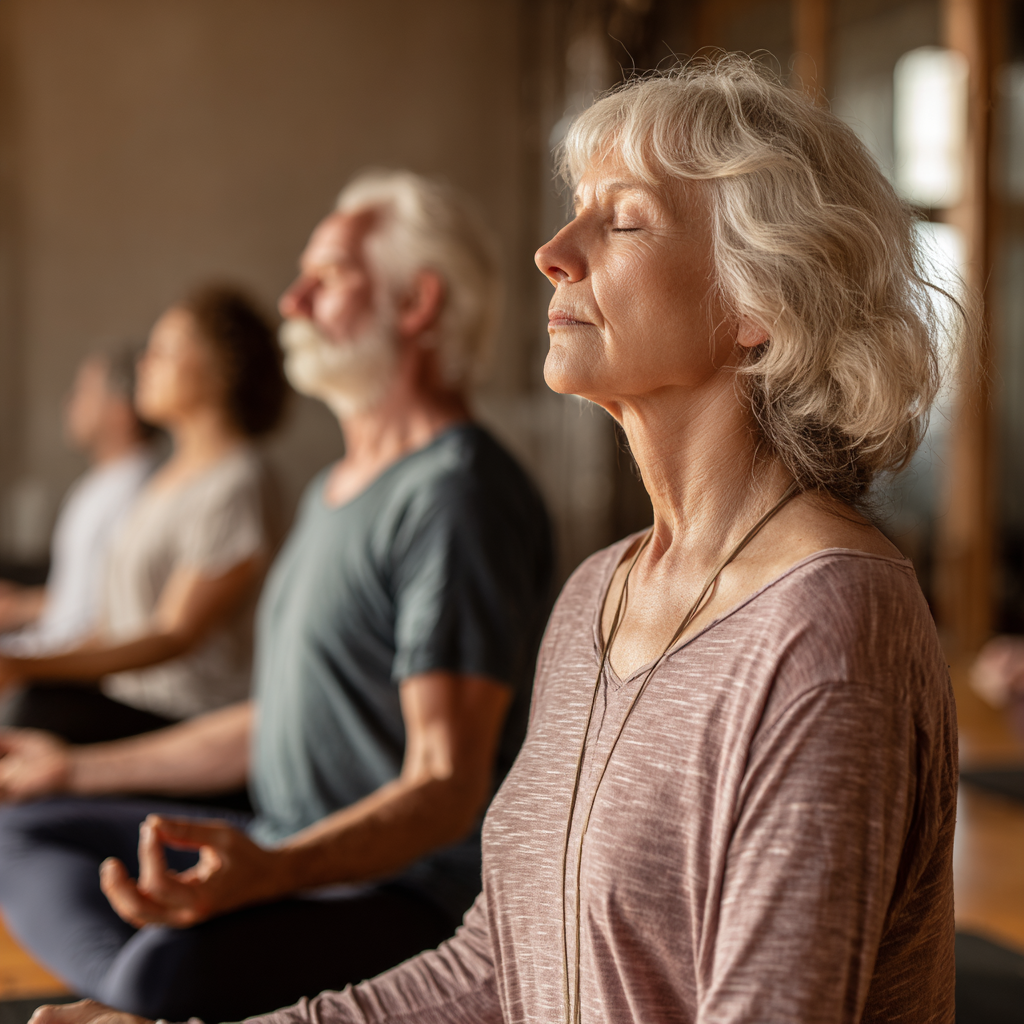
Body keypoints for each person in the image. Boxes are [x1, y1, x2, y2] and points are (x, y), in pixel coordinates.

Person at [29, 58, 965, 1024]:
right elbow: (497, 968)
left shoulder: (826, 621)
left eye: (626, 219)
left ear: (762, 303)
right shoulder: (598, 592)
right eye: (573, 211)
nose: (553, 251)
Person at [0, 170, 553, 1022]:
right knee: (27, 829)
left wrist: (277, 873)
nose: (291, 300)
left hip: (401, 894)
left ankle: (142, 1002)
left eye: (326, 278)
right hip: (281, 840)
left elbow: (446, 785)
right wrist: (71, 770)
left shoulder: (455, 493)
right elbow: (277, 718)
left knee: (160, 975)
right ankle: (141, 1002)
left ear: (416, 305)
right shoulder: (334, 487)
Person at [0, 285, 287, 742]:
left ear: (219, 370)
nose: (144, 366)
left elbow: (176, 634)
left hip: (193, 725)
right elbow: (112, 629)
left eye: (163, 352)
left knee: (34, 709)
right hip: (133, 702)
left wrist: (26, 666)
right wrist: (26, 662)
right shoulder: (167, 479)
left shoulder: (239, 481)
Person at [0, 348, 156, 657]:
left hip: (70, 667)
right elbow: (81, 598)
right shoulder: (100, 483)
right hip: (49, 650)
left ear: (121, 411)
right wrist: (22, 605)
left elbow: (110, 616)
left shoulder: (139, 490)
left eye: (84, 392)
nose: (69, 403)